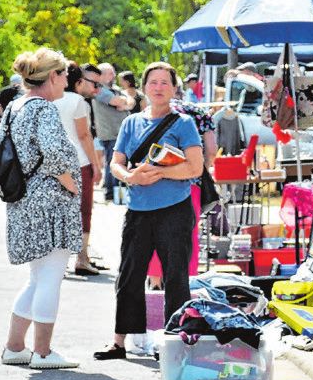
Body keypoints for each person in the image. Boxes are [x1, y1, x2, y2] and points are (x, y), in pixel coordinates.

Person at [95, 61, 203, 361]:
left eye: (165, 83)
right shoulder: (131, 123)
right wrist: (131, 177)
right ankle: (119, 342)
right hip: (138, 210)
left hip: (175, 210)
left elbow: (196, 167)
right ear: (143, 87)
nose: (158, 88)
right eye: (153, 82)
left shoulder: (183, 123)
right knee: (129, 275)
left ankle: (174, 342)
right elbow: (116, 163)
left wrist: (159, 172)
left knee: (176, 277)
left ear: (174, 88)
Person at [0, 47, 83, 370]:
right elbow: (55, 151)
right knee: (51, 278)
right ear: (53, 76)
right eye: (64, 75)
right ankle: (42, 353)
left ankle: (15, 347)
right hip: (50, 203)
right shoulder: (43, 109)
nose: (67, 81)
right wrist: (70, 182)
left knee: (37, 278)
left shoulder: (16, 106)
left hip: (24, 201)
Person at [144, 98, 218, 291]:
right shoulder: (199, 114)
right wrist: (200, 171)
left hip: (158, 180)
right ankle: (187, 281)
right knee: (188, 233)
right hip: (189, 182)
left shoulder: (154, 111)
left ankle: (155, 281)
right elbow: (211, 150)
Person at [55, 61, 105, 275]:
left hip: (55, 163)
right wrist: (96, 164)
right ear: (78, 81)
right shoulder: (77, 101)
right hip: (79, 161)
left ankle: (56, 260)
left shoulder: (46, 99)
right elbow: (84, 135)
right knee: (83, 211)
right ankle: (81, 257)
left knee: (58, 211)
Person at [92, 63, 134, 202]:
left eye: (113, 73)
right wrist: (122, 102)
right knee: (113, 162)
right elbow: (115, 101)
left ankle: (118, 192)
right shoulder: (99, 90)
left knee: (122, 161)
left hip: (121, 132)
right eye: (110, 73)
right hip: (110, 133)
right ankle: (111, 193)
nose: (113, 76)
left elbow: (131, 101)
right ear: (102, 75)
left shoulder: (116, 89)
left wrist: (125, 103)